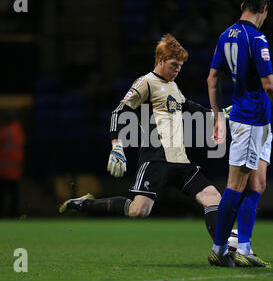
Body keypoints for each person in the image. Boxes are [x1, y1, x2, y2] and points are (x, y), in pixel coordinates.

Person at [59, 34, 232, 261]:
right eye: (174, 65)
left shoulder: (173, 86)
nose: (178, 69)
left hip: (181, 160)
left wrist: (215, 115)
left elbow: (187, 106)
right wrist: (117, 145)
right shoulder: (145, 82)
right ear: (160, 59)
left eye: (180, 66)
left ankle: (221, 252)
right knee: (139, 210)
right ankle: (85, 204)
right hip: (156, 158)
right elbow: (119, 112)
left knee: (213, 198)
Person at [207, 0, 273, 267]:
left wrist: (218, 114)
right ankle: (219, 249)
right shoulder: (257, 39)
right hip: (251, 119)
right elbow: (269, 84)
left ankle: (243, 247)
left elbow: (211, 79)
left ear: (244, 5)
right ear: (264, 9)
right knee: (235, 185)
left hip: (259, 122)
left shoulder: (224, 35)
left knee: (257, 183)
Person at [0, 110, 25, 217]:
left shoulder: (4, 131)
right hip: (14, 169)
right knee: (14, 195)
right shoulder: (18, 130)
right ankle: (14, 215)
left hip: (2, 170)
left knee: (0, 196)